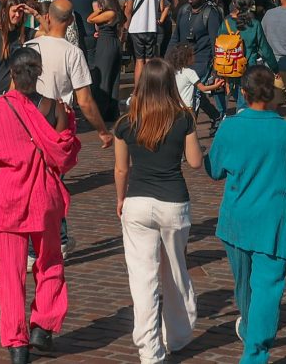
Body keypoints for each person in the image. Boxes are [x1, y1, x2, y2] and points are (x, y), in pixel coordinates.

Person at [0, 47, 79, 364]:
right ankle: (42, 326)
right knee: (50, 263)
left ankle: (17, 344)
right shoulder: (54, 108)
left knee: (10, 274)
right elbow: (64, 154)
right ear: (39, 72)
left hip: (8, 198)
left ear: (11, 74)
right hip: (44, 198)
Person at [208, 67, 286, 364]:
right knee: (267, 288)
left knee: (245, 284)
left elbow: (214, 169)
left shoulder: (230, 127)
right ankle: (254, 348)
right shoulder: (285, 131)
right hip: (273, 221)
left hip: (237, 219)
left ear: (243, 93)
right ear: (273, 94)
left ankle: (251, 330)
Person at [112, 57, 202, 364]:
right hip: (173, 201)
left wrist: (120, 199)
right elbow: (194, 162)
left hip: (137, 201)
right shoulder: (184, 117)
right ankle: (176, 335)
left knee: (143, 279)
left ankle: (149, 349)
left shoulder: (126, 123)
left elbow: (121, 170)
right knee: (175, 272)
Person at [28, 0, 105, 127]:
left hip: (31, 117)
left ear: (47, 17)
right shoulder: (74, 53)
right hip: (60, 120)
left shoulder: (29, 47)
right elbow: (84, 101)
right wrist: (103, 130)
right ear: (71, 21)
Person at [121, 0, 170, 67]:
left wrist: (125, 28)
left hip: (136, 28)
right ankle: (149, 84)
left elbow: (128, 9)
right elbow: (162, 7)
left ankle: (139, 85)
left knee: (139, 61)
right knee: (149, 61)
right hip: (151, 27)